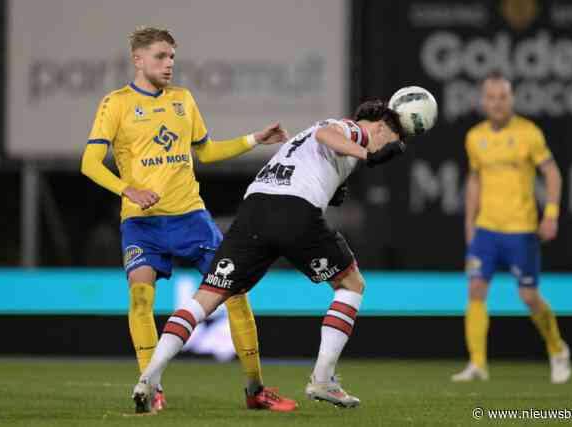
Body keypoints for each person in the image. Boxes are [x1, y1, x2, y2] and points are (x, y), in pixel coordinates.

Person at [130, 100, 406, 412]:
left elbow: (315, 154)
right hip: (294, 210)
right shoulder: (352, 129)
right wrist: (370, 154)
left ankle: (148, 378)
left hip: (254, 209)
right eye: (393, 142)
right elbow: (328, 136)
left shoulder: (307, 135)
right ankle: (323, 378)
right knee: (351, 285)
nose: (388, 150)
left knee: (206, 297)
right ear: (381, 126)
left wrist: (338, 181)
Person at [81, 26, 296, 412]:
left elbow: (206, 152)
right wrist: (126, 189)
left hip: (192, 219)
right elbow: (89, 164)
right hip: (142, 223)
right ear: (138, 59)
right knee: (141, 298)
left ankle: (255, 390)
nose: (169, 65)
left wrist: (253, 140)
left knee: (236, 294)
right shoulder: (115, 104)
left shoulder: (183, 100)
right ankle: (151, 386)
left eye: (172, 58)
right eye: (161, 57)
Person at [451, 73, 571, 384]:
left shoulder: (529, 133)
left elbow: (553, 175)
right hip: (486, 230)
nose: (497, 103)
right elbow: (474, 180)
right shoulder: (475, 137)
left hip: (521, 229)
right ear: (483, 100)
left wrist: (552, 214)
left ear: (512, 99)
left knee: (529, 296)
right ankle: (477, 364)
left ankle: (557, 349)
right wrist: (469, 223)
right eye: (491, 97)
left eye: (502, 97)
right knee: (476, 289)